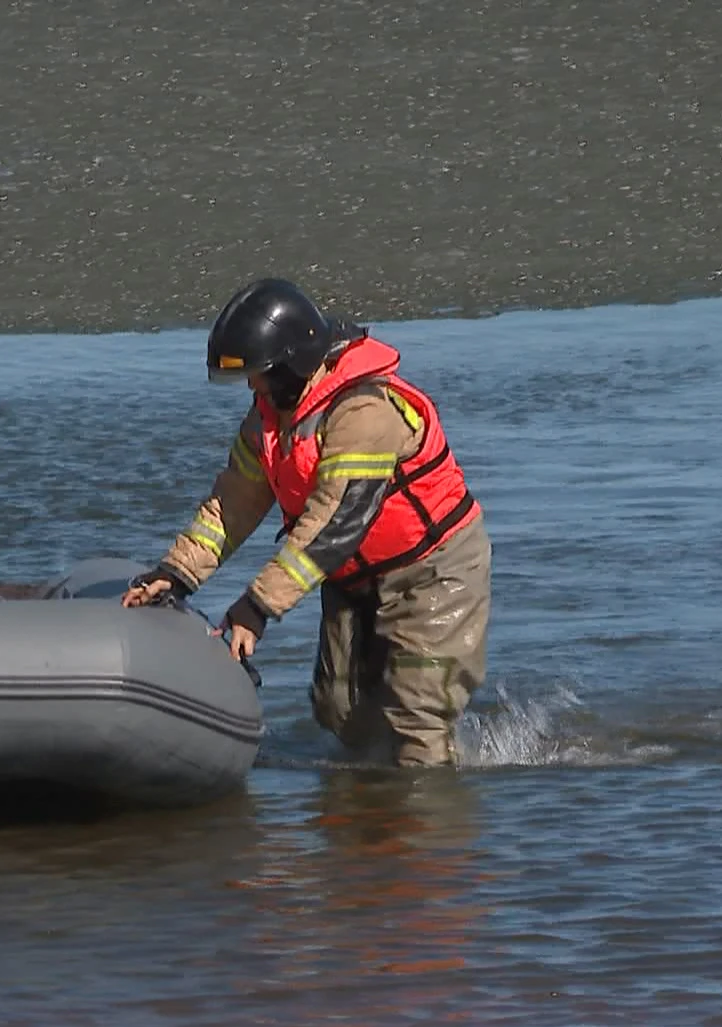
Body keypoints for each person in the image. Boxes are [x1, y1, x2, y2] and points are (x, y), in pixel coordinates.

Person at [122, 278, 491, 767]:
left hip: (432, 572)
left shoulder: (365, 412)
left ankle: (425, 825)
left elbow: (335, 523)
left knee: (416, 717)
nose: (253, 386)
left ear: (295, 362)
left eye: (260, 374)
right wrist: (175, 574)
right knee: (339, 711)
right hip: (350, 576)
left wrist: (256, 607)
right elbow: (231, 506)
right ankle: (362, 825)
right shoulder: (269, 418)